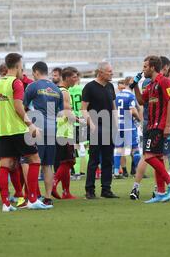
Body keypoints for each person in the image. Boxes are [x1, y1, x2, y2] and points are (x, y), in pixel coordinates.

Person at [0, 53, 52, 211]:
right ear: (18, 66)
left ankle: (6, 204)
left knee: (5, 164)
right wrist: (30, 124)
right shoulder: (17, 83)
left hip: (3, 131)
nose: (23, 69)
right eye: (22, 66)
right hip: (18, 129)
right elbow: (18, 106)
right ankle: (33, 199)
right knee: (35, 159)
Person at [131, 55, 170, 203]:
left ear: (152, 67)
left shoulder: (164, 82)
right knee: (157, 157)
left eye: (145, 66)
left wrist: (167, 126)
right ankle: (161, 192)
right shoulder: (151, 85)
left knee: (149, 156)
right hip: (151, 125)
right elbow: (141, 100)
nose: (143, 69)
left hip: (159, 126)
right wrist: (135, 86)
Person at [23, 61, 63, 206]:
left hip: (37, 128)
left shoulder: (32, 86)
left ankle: (33, 196)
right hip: (52, 129)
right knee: (48, 165)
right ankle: (47, 197)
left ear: (35, 72)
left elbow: (23, 107)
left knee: (32, 162)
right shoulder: (57, 89)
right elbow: (59, 111)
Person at [82, 61, 119, 199]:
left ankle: (106, 189)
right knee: (94, 160)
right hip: (96, 128)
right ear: (101, 72)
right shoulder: (90, 87)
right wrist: (91, 125)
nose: (112, 73)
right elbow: (83, 110)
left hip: (109, 128)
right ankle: (89, 190)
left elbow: (113, 107)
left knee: (108, 160)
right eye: (109, 71)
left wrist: (116, 125)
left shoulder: (110, 87)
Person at [53, 67, 80, 199]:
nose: (76, 80)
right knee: (69, 161)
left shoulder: (59, 90)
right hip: (64, 130)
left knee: (65, 161)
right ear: (67, 78)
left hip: (60, 129)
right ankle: (54, 184)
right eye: (74, 77)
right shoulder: (64, 92)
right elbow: (67, 112)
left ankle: (66, 192)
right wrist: (80, 121)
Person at [113, 77, 141, 179]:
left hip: (118, 126)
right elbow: (133, 111)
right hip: (129, 126)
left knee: (118, 149)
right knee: (135, 149)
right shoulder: (130, 96)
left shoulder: (116, 96)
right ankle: (138, 171)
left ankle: (116, 172)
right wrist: (138, 119)